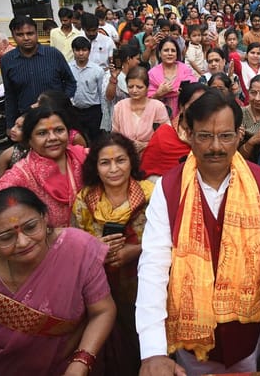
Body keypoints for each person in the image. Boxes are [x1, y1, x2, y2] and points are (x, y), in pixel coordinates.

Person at [135, 90, 260, 376]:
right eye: (205, 136)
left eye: (225, 136)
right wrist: (153, 351)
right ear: (188, 134)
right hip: (189, 339)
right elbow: (153, 266)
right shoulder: (169, 187)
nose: (216, 147)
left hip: (246, 333)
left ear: (239, 135)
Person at [0, 187, 116, 375]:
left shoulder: (78, 247)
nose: (23, 242)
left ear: (45, 218)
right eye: (7, 237)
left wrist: (81, 362)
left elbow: (102, 311)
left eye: (31, 227)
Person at [73, 134, 154, 375]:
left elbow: (171, 238)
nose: (114, 169)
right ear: (95, 167)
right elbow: (75, 246)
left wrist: (136, 250)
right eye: (105, 163)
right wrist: (95, 249)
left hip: (145, 283)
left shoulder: (152, 195)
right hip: (101, 288)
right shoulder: (84, 200)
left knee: (145, 337)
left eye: (120, 160)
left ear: (131, 161)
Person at [0, 106, 87, 228]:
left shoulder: (85, 158)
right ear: (29, 140)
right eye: (42, 133)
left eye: (59, 130)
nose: (53, 138)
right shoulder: (21, 175)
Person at [1, 15, 77, 130]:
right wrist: (10, 125)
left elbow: (71, 82)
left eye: (30, 33)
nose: (26, 38)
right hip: (27, 121)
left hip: (57, 118)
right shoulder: (7, 61)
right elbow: (10, 95)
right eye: (20, 35)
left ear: (37, 33)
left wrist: (59, 104)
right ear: (13, 35)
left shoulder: (53, 54)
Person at [140, 83, 207, 181]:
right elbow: (146, 172)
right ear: (182, 107)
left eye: (204, 105)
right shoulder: (164, 134)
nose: (200, 109)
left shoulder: (214, 136)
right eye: (194, 104)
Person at [112, 66, 170, 153]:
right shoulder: (119, 107)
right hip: (125, 155)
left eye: (139, 87)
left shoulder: (158, 107)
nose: (134, 90)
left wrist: (146, 145)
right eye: (130, 87)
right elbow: (114, 136)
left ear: (147, 87)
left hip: (152, 154)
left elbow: (167, 136)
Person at [147, 38, 196, 119]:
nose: (170, 53)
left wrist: (184, 92)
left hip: (183, 116)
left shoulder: (185, 69)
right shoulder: (152, 74)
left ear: (177, 54)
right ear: (159, 53)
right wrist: (158, 94)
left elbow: (194, 90)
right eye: (166, 50)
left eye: (173, 51)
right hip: (159, 117)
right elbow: (146, 102)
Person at [69, 36, 105, 143]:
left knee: (95, 141)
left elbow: (101, 93)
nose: (81, 53)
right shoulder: (68, 68)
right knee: (76, 140)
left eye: (84, 50)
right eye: (77, 50)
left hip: (93, 111)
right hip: (74, 111)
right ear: (73, 51)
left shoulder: (97, 70)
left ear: (89, 51)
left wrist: (103, 115)